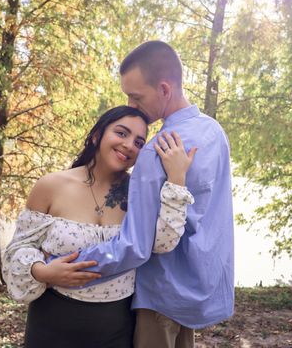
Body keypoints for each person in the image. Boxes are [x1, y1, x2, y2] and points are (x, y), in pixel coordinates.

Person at [62, 41, 234, 348]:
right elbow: (219, 221)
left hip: (160, 295)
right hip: (198, 290)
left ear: (165, 90)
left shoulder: (156, 151)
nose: (131, 104)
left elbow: (136, 246)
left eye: (136, 96)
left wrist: (71, 265)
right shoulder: (214, 132)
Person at [2, 105, 197, 348]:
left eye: (139, 142)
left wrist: (177, 179)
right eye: (121, 133)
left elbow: (162, 243)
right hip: (52, 319)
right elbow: (17, 250)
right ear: (97, 135)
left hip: (117, 324)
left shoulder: (140, 192)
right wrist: (42, 272)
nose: (129, 145)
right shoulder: (51, 185)